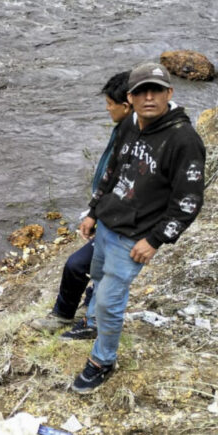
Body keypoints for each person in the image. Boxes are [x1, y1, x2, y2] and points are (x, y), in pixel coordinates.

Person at [72, 63, 205, 394]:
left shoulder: (184, 140)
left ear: (169, 94)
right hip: (106, 223)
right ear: (130, 97)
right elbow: (112, 171)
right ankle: (91, 325)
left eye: (157, 90)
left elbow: (188, 202)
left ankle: (103, 361)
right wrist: (93, 211)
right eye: (142, 91)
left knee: (109, 301)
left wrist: (155, 240)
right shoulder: (130, 123)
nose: (150, 97)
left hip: (134, 239)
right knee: (97, 280)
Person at [31, 71, 132, 339]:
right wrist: (94, 211)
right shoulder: (124, 129)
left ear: (127, 104)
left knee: (82, 266)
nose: (107, 107)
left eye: (110, 103)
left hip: (124, 224)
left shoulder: (137, 137)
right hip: (109, 216)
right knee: (86, 267)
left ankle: (83, 322)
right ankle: (75, 312)